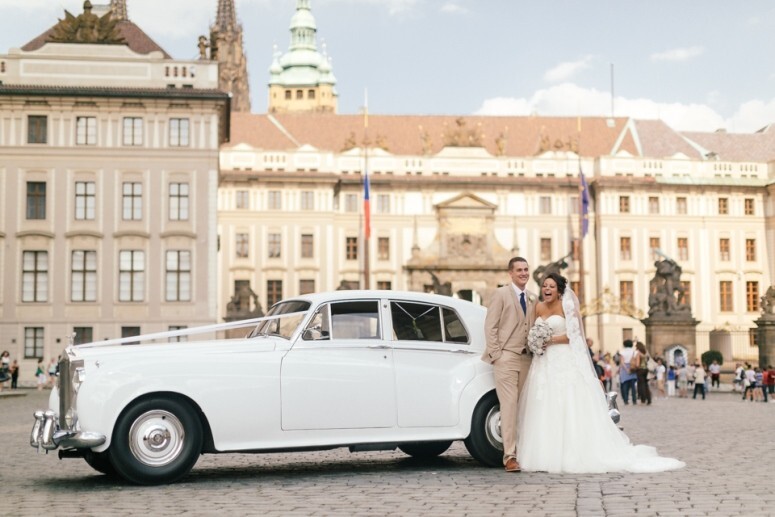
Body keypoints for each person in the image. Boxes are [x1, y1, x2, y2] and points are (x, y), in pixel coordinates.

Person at [517, 273, 684, 473]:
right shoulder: (538, 307)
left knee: (566, 403)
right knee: (544, 404)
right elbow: (532, 330)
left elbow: (574, 335)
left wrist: (550, 340)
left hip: (563, 359)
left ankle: (569, 454)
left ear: (559, 289)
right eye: (545, 285)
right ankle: (543, 453)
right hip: (543, 362)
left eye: (551, 286)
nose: (547, 289)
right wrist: (536, 342)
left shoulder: (567, 306)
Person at [483, 256, 536, 473]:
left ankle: (525, 451)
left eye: (526, 269)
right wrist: (497, 355)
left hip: (527, 358)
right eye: (519, 270)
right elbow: (490, 326)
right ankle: (510, 456)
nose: (523, 273)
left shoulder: (532, 298)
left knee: (525, 406)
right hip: (506, 357)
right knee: (509, 406)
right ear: (510, 273)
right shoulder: (501, 294)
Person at [618, 339, 637, 405]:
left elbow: (622, 362)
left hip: (624, 369)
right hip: (632, 367)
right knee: (633, 387)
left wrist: (626, 369)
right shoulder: (633, 351)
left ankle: (626, 400)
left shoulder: (622, 351)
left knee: (625, 386)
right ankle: (634, 400)